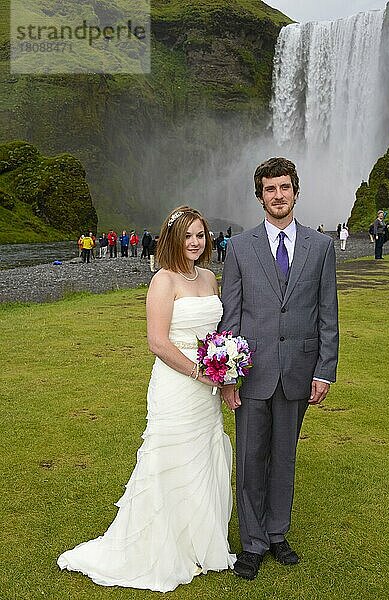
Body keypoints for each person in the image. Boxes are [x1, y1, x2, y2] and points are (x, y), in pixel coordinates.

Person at [57, 206, 235, 592]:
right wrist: (198, 372)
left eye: (200, 235)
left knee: (202, 455)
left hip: (207, 386)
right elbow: (157, 341)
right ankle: (159, 544)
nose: (194, 242)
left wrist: (223, 367)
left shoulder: (208, 277)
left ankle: (198, 543)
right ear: (172, 239)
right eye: (187, 236)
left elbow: (215, 332)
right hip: (178, 383)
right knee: (170, 456)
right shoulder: (163, 280)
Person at [219, 157, 339, 580]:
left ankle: (276, 534)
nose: (278, 195)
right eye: (270, 189)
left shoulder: (321, 247)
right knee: (251, 458)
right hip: (251, 373)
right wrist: (228, 376)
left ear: (295, 191)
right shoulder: (238, 248)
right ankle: (251, 543)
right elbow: (230, 315)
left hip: (299, 372)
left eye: (284, 187)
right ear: (260, 196)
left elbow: (328, 313)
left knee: (284, 457)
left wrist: (324, 370)